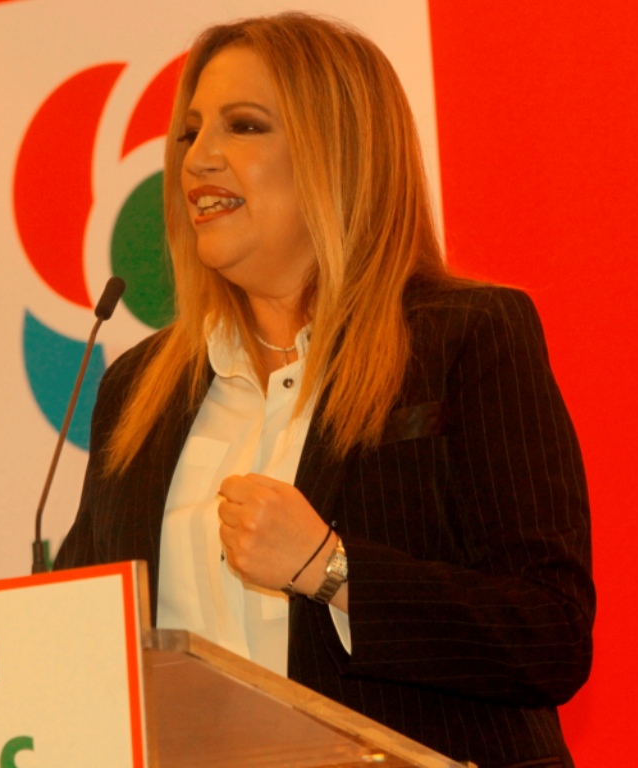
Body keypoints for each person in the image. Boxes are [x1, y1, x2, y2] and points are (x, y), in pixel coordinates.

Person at [54, 12, 594, 768]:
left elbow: (548, 636)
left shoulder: (466, 337)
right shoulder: (137, 389)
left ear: (340, 152)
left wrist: (330, 568)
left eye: (244, 126)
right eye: (190, 133)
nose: (197, 158)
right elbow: (77, 642)